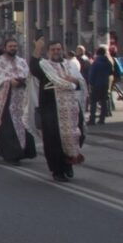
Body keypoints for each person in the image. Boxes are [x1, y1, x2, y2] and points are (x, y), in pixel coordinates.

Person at [31, 38, 85, 182]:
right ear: (48, 52)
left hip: (71, 107)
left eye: (58, 49)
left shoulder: (70, 65)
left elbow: (81, 82)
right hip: (51, 109)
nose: (56, 52)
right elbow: (34, 68)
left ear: (62, 50)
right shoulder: (44, 65)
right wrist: (37, 48)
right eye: (53, 49)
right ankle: (57, 170)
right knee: (54, 140)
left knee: (77, 135)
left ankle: (69, 163)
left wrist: (74, 80)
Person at [0, 39, 37, 164]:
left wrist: (23, 81)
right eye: (10, 46)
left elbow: (29, 76)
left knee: (23, 125)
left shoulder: (22, 61)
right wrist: (8, 81)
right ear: (5, 48)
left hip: (21, 100)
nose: (13, 48)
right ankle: (11, 155)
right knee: (8, 128)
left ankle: (23, 152)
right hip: (5, 100)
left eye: (15, 46)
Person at [88, 46, 113, 126]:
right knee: (103, 101)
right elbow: (110, 72)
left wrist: (90, 83)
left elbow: (92, 74)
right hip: (105, 83)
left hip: (96, 84)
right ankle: (102, 119)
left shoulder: (95, 62)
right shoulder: (108, 62)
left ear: (97, 53)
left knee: (93, 102)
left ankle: (92, 119)